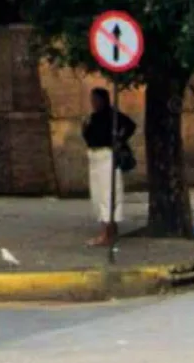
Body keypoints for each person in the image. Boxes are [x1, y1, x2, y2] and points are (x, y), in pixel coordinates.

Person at [81, 87, 136, 248]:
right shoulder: (93, 117)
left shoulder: (112, 116)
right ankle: (110, 230)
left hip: (107, 157)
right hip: (95, 157)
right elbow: (89, 137)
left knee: (108, 194)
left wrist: (119, 140)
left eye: (96, 99)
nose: (93, 103)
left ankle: (107, 233)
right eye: (92, 100)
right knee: (98, 194)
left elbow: (130, 125)